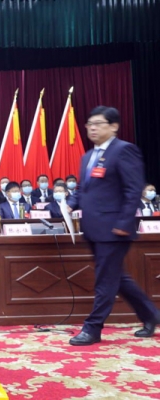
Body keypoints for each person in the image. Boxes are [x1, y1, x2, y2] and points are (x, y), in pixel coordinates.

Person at [67, 106, 160, 346]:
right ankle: (151, 315)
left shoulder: (124, 150)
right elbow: (82, 188)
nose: (93, 128)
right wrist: (69, 204)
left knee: (105, 280)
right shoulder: (88, 156)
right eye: (89, 124)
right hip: (93, 228)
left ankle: (93, 328)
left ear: (114, 126)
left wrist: (124, 222)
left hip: (114, 229)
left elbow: (133, 189)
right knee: (116, 277)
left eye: (98, 123)